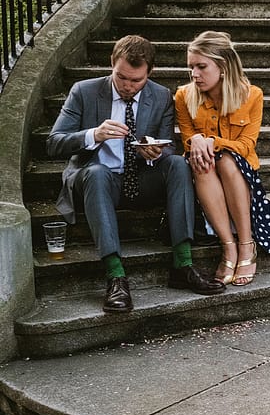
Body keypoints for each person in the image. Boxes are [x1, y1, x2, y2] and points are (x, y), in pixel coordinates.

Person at [46, 35, 225, 313]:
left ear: (149, 73)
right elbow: (53, 143)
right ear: (111, 65)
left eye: (136, 81)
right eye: (121, 78)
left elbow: (167, 146)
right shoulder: (84, 91)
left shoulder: (162, 95)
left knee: (178, 164)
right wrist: (93, 134)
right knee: (95, 172)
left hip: (141, 179)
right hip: (97, 182)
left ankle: (183, 265)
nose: (128, 86)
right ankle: (115, 276)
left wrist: (153, 153)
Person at [174, 31, 270, 286]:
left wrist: (212, 142)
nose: (194, 74)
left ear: (224, 66)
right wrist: (195, 141)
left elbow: (246, 145)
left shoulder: (252, 95)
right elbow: (187, 138)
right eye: (191, 67)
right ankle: (229, 247)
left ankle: (247, 244)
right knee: (202, 161)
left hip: (240, 171)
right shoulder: (184, 96)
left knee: (226, 159)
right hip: (203, 173)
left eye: (201, 66)